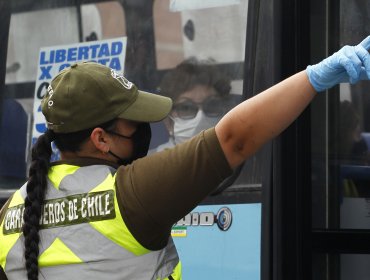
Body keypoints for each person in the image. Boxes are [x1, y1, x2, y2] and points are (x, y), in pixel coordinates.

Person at [1, 36, 370, 280]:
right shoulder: (132, 194)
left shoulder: (11, 213)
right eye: (134, 123)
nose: (146, 128)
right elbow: (235, 138)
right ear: (101, 139)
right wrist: (315, 78)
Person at [153, 57, 237, 151]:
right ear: (168, 122)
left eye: (211, 106)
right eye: (186, 108)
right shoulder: (148, 164)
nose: (201, 118)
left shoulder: (236, 160)